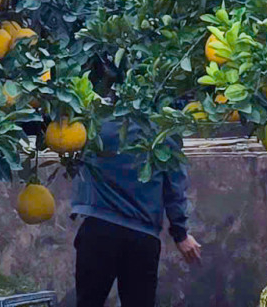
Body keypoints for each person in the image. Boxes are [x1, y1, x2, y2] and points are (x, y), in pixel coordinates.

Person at [70, 120, 203, 307]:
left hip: (98, 230)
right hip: (141, 237)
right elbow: (175, 189)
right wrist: (180, 233)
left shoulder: (97, 122)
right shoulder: (164, 132)